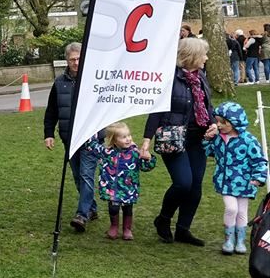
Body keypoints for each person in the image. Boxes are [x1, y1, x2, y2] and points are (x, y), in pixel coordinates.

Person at [141, 37, 218, 246]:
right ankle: (163, 219)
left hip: (197, 138)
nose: (206, 58)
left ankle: (183, 229)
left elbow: (206, 106)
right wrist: (146, 139)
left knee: (195, 187)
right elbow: (156, 110)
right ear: (192, 56)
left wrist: (212, 123)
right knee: (183, 183)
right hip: (173, 138)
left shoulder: (200, 76)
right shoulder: (169, 78)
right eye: (203, 54)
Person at [43, 42, 100, 232]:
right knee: (78, 176)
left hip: (91, 137)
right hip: (70, 138)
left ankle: (81, 215)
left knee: (86, 174)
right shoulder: (60, 83)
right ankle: (91, 208)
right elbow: (52, 111)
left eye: (79, 58)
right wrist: (48, 134)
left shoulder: (96, 79)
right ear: (66, 60)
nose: (76, 62)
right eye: (72, 59)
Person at [204, 102, 268, 255]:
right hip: (225, 182)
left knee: (242, 212)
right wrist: (207, 139)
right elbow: (209, 151)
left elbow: (259, 160)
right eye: (217, 121)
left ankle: (240, 241)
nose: (218, 125)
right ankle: (228, 239)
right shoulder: (219, 138)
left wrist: (259, 177)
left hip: (245, 182)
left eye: (222, 122)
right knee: (231, 208)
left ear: (234, 122)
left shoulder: (248, 140)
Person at [88, 122, 156, 241]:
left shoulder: (135, 153)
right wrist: (90, 131)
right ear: (114, 140)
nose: (128, 139)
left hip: (128, 188)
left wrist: (148, 159)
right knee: (113, 208)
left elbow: (145, 167)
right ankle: (114, 227)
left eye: (129, 135)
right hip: (112, 188)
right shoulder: (107, 152)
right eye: (123, 137)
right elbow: (92, 146)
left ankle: (127, 229)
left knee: (127, 208)